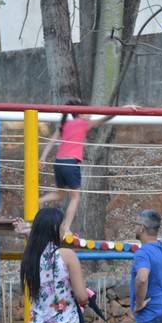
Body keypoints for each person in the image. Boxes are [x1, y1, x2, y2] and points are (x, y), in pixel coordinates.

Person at [38, 98, 116, 237]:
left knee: (61, 194)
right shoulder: (84, 124)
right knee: (75, 198)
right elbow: (106, 118)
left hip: (58, 163)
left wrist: (43, 157)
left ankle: (38, 201)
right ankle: (65, 228)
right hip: (70, 164)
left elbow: (51, 142)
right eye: (88, 112)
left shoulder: (64, 124)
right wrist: (121, 109)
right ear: (81, 114)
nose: (90, 114)